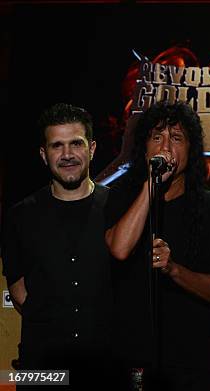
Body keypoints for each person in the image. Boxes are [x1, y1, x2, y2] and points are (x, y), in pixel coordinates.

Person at [104, 101, 210, 390]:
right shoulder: (120, 196)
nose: (166, 147)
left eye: (176, 138)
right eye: (157, 137)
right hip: (130, 359)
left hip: (191, 363)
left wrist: (174, 270)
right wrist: (151, 186)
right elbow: (119, 248)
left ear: (190, 150)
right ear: (144, 147)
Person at [1, 103, 113, 389]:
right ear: (43, 154)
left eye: (76, 143)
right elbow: (19, 293)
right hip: (41, 368)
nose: (67, 155)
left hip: (105, 366)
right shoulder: (19, 216)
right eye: (57, 146)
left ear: (92, 148)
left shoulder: (120, 208)